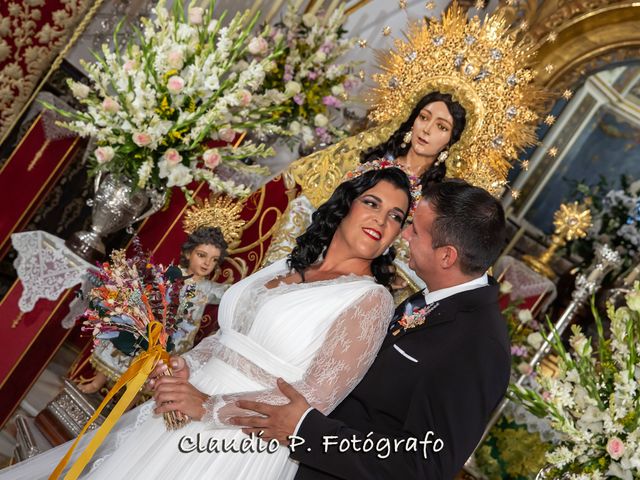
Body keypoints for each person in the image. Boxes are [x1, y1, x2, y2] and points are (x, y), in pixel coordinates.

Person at [0, 167, 412, 480]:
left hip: (234, 445)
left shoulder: (370, 299)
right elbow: (224, 340)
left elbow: (313, 401)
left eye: (396, 216)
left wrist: (209, 406)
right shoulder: (288, 266)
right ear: (346, 204)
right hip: (177, 413)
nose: (381, 220)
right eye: (372, 203)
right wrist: (185, 368)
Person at [231, 179, 512, 480]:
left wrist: (306, 430)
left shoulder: (479, 346)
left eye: (415, 231)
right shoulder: (433, 298)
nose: (404, 235)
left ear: (447, 256)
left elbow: (423, 466)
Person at [77, 227, 229, 394]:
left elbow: (232, 293)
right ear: (188, 253)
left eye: (214, 259)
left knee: (147, 373)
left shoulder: (209, 289)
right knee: (124, 346)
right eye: (202, 255)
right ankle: (97, 383)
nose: (207, 263)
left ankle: (124, 406)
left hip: (175, 339)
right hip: (150, 327)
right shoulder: (172, 273)